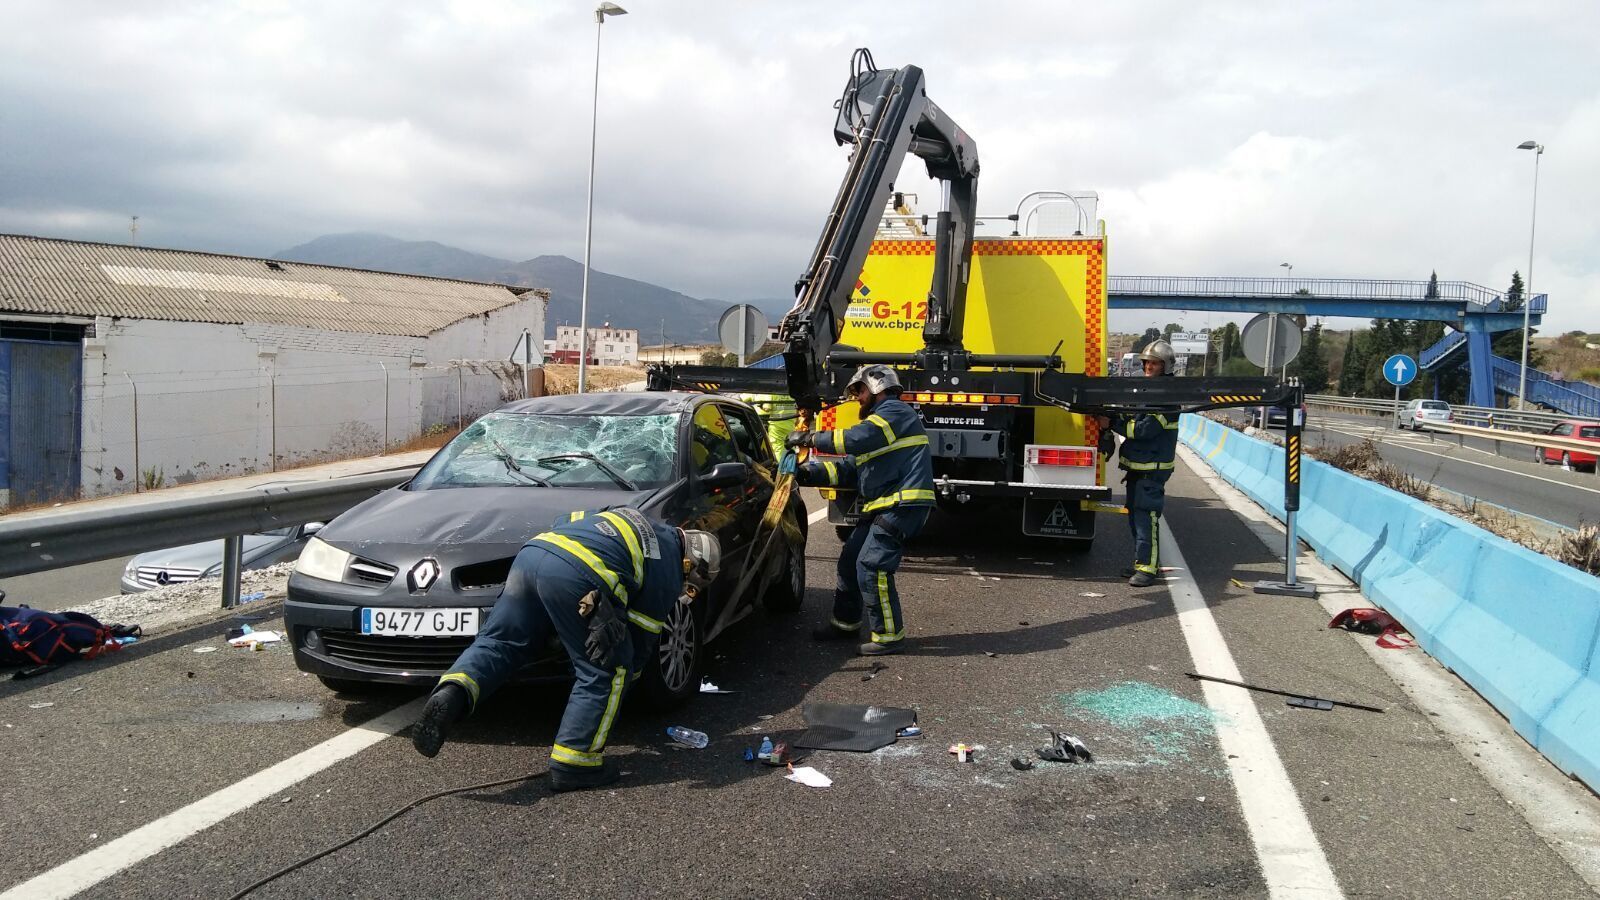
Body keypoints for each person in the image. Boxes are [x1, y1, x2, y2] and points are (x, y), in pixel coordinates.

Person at [411, 507, 720, 793]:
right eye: (692, 581)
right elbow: (640, 642)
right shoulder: (668, 566)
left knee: (501, 642)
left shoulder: (634, 517)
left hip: (533, 556)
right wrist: (625, 681)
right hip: (579, 575)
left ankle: (453, 693)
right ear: (691, 560)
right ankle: (575, 764)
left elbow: (567, 519)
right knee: (609, 669)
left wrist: (562, 624)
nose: (685, 587)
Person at [785, 364, 934, 656]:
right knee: (849, 561)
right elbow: (849, 470)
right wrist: (805, 474)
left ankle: (889, 636)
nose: (857, 398)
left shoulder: (895, 412)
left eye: (860, 391)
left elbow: (854, 439)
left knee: (872, 565)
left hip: (902, 504)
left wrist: (810, 438)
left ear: (877, 386)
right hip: (884, 505)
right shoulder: (879, 426)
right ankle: (845, 624)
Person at [1098, 340, 1180, 588]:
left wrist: (1112, 424)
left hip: (1151, 470)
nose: (1148, 367)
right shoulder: (1147, 392)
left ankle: (1147, 569)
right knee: (1136, 517)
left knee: (1146, 518)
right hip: (1138, 468)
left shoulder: (1167, 398)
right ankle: (1141, 563)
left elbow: (1143, 429)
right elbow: (1131, 416)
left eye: (1154, 363)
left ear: (1165, 366)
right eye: (1146, 363)